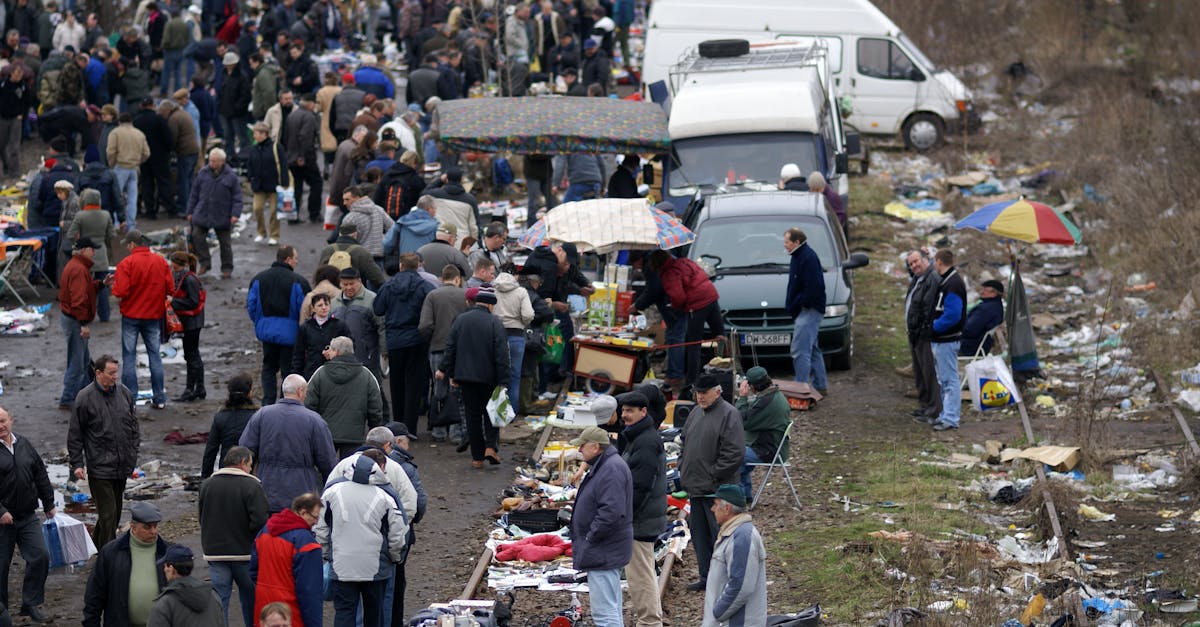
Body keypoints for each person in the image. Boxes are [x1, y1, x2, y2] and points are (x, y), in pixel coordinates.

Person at [315, 449, 409, 627]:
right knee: (374, 613)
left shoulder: (332, 492)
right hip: (375, 568)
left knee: (344, 612)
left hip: (342, 565)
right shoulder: (386, 495)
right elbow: (398, 532)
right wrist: (395, 557)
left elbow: (321, 528)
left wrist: (327, 554)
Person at [678, 374, 744, 591]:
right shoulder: (696, 412)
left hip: (717, 490)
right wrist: (682, 464)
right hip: (696, 488)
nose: (700, 397)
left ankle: (725, 580)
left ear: (717, 392)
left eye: (704, 393)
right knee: (699, 536)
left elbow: (734, 453)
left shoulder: (729, 414)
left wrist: (714, 475)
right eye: (697, 393)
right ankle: (707, 577)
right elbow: (684, 441)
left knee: (720, 537)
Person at [238, 374, 338, 513]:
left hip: (267, 490)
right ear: (300, 391)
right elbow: (327, 461)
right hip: (302, 495)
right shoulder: (314, 421)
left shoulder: (262, 414)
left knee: (270, 533)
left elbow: (245, 449)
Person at [68, 355, 141, 546]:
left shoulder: (124, 393)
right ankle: (109, 557)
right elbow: (75, 434)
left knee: (114, 514)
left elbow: (134, 427)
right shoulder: (85, 398)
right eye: (111, 373)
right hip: (99, 468)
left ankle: (97, 546)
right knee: (108, 514)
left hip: (122, 465)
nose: (115, 377)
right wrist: (77, 464)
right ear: (98, 373)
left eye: (116, 372)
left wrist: (132, 455)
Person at [436, 286, 509, 468]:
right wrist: (503, 380)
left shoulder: (461, 320)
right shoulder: (495, 323)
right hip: (489, 378)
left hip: (466, 377)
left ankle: (477, 457)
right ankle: (491, 447)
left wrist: (447, 370)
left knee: (472, 416)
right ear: (491, 305)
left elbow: (450, 347)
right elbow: (501, 354)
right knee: (492, 412)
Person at [568, 426, 632, 627]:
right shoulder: (606, 465)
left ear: (595, 447)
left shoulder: (610, 469)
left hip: (603, 548)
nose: (579, 450)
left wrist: (590, 537)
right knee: (610, 608)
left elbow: (611, 513)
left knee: (604, 613)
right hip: (606, 548)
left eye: (582, 446)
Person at [198, 447, 268, 627]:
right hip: (245, 554)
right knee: (251, 601)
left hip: (215, 553)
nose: (251, 469)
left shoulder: (207, 485)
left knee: (220, 602)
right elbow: (260, 520)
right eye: (250, 465)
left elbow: (202, 517)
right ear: (243, 462)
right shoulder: (252, 485)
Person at [614, 392, 666, 627]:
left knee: (641, 575)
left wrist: (625, 516)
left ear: (643, 412)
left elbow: (641, 485)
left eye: (630, 411)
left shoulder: (645, 441)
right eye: (623, 410)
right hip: (641, 518)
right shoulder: (639, 436)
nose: (625, 415)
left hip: (640, 520)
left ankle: (649, 622)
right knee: (642, 572)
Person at [0, 406, 54, 624]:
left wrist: (49, 502)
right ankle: (2, 611)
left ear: (11, 420)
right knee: (1, 567)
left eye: (3, 420)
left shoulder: (24, 444)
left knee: (41, 556)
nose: (1, 426)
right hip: (2, 522)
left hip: (27, 516)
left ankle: (30, 602)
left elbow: (40, 473)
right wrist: (1, 511)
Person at [113, 230, 174, 409]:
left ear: (132, 244)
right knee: (154, 356)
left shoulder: (126, 263)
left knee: (129, 357)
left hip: (131, 315)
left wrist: (114, 287)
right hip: (153, 316)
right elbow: (170, 287)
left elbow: (121, 291)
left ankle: (130, 399)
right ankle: (159, 397)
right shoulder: (160, 261)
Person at [82, 502, 169, 627]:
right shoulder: (111, 553)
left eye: (155, 526)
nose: (154, 531)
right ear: (133, 527)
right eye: (147, 527)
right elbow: (94, 594)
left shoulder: (168, 552)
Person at [374, 253, 434, 432]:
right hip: (417, 339)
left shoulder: (389, 285)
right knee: (414, 385)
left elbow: (378, 309)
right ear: (418, 266)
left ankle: (398, 426)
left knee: (397, 384)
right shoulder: (425, 286)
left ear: (401, 265)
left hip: (395, 340)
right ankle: (411, 428)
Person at [646, 249, 723, 386]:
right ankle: (727, 369)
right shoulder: (685, 261)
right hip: (711, 295)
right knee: (720, 336)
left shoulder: (669, 273)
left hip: (697, 306)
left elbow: (678, 297)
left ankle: (691, 382)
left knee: (694, 344)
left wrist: (676, 307)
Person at [247, 246, 312, 405]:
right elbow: (303, 309)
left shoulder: (258, 278)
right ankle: (285, 403)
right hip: (290, 335)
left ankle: (267, 402)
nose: (297, 261)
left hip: (267, 332)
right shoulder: (298, 281)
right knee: (288, 371)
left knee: (268, 367)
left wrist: (260, 323)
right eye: (295, 258)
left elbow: (251, 305)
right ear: (288, 259)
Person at [251, 494, 323, 627]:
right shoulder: (306, 543)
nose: (316, 522)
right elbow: (309, 591)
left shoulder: (265, 531)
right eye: (315, 517)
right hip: (289, 611)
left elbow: (254, 571)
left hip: (264, 605)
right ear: (303, 512)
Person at [306, 337, 385, 458]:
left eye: (331, 349)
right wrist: (374, 431)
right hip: (354, 436)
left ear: (337, 352)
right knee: (349, 472)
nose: (328, 352)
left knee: (325, 473)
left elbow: (309, 405)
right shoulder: (367, 375)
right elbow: (375, 408)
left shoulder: (320, 373)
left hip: (326, 435)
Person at [701, 485, 767, 627]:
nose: (712, 509)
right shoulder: (733, 532)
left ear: (727, 508)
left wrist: (718, 613)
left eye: (715, 505)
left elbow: (741, 585)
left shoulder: (742, 537)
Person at [418, 264, 469, 442]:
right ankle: (456, 431)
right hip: (461, 351)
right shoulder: (465, 295)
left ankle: (439, 430)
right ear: (457, 279)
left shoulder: (432, 295)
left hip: (437, 348)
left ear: (442, 278)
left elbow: (424, 325)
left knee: (439, 389)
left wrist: (433, 338)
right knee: (457, 390)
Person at [382, 421, 425, 625]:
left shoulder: (369, 461)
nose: (409, 446)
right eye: (407, 441)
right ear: (398, 441)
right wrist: (412, 521)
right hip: (401, 530)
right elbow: (419, 501)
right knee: (397, 580)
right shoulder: (405, 467)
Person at [57, 237, 107, 409]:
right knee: (77, 362)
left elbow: (83, 290)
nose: (94, 252)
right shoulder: (79, 269)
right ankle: (68, 398)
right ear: (84, 250)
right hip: (74, 320)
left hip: (71, 318)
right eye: (92, 249)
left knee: (84, 361)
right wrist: (83, 324)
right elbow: (78, 299)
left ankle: (87, 396)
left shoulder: (77, 266)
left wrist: (100, 284)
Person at [734, 367, 790, 500]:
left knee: (733, 455)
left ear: (753, 387)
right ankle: (744, 495)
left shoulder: (766, 402)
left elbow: (741, 420)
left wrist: (742, 398)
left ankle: (738, 498)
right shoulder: (774, 395)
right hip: (775, 446)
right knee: (738, 451)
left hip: (770, 451)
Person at [188, 147, 243, 279]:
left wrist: (235, 214)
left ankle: (227, 268)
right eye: (210, 160)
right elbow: (194, 194)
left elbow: (237, 197)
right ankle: (205, 263)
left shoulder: (231, 176)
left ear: (222, 161)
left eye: (214, 161)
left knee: (225, 243)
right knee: (197, 236)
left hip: (222, 214)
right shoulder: (203, 173)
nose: (211, 163)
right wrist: (190, 211)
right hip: (203, 213)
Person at [784, 227, 827, 392]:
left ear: (797, 242)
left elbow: (814, 286)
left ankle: (799, 388)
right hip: (805, 309)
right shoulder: (799, 255)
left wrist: (801, 304)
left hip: (808, 310)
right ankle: (820, 385)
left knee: (800, 350)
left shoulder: (807, 257)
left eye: (787, 242)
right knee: (812, 349)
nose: (785, 245)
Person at [929, 249, 966, 431]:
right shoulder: (947, 281)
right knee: (943, 379)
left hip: (947, 339)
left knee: (950, 380)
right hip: (940, 339)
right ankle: (945, 414)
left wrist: (933, 326)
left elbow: (953, 315)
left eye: (933, 261)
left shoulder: (953, 284)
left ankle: (951, 418)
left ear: (938, 262)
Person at [148, 544, 224, 626]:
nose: (164, 570)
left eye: (165, 566)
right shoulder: (213, 595)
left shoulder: (165, 604)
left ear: (171, 569)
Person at [905, 250, 941, 422]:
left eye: (916, 261)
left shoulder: (932, 278)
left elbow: (928, 307)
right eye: (910, 264)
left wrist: (922, 328)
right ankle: (925, 405)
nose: (914, 266)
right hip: (914, 333)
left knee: (929, 372)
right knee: (919, 372)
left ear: (926, 260)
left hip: (923, 333)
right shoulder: (917, 278)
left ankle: (934, 410)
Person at [201, 373, 257, 478]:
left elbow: (210, 451)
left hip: (226, 471)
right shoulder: (257, 416)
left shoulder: (220, 417)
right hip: (250, 472)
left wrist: (205, 479)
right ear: (249, 393)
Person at [169, 251, 207, 402]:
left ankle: (190, 390)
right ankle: (199, 388)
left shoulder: (189, 279)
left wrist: (172, 301)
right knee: (192, 354)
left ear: (176, 263)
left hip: (192, 323)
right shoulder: (186, 276)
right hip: (191, 322)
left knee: (191, 355)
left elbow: (193, 302)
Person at [492, 271, 533, 410]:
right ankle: (511, 412)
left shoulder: (493, 290)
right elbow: (528, 314)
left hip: (496, 335)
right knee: (514, 376)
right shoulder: (521, 292)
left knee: (496, 374)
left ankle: (496, 410)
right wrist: (522, 322)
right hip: (516, 336)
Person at [247, 122, 291, 246]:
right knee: (257, 209)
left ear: (265, 134)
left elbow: (283, 165)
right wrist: (251, 177)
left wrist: (284, 183)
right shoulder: (253, 149)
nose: (256, 136)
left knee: (274, 211)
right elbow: (249, 164)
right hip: (259, 185)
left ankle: (274, 235)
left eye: (259, 133)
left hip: (274, 185)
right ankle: (261, 232)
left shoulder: (276, 147)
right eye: (255, 133)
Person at [105, 112, 150, 230]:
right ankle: (131, 224)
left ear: (119, 122)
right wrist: (138, 161)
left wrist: (112, 164)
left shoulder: (115, 132)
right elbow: (146, 153)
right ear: (131, 122)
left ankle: (116, 223)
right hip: (134, 168)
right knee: (132, 198)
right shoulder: (139, 133)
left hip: (120, 167)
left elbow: (110, 151)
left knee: (116, 197)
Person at [292, 294, 352, 379]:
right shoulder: (306, 327)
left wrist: (335, 353)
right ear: (313, 308)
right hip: (312, 371)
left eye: (326, 304)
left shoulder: (339, 325)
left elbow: (350, 346)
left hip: (335, 370)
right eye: (320, 305)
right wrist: (296, 374)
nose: (324, 307)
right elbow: (298, 353)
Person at [284, 92, 324, 223]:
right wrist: (301, 156)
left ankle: (293, 216)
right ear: (310, 103)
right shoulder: (309, 117)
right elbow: (305, 138)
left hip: (291, 157)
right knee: (317, 183)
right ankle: (314, 213)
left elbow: (286, 136)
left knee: (297, 186)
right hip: (305, 158)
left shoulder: (292, 115)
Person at [320, 222, 387, 289]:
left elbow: (320, 275)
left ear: (339, 234)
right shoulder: (361, 252)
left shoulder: (326, 250)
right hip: (353, 293)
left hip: (331, 292)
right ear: (355, 234)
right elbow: (377, 278)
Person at [341, 184, 396, 263]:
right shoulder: (378, 209)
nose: (344, 203)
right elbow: (393, 228)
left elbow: (345, 242)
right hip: (378, 257)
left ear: (357, 198)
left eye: (347, 199)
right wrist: (383, 241)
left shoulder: (350, 218)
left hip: (359, 258)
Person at [424, 166, 477, 237]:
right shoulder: (470, 200)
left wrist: (440, 180)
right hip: (461, 240)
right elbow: (474, 226)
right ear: (461, 179)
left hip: (441, 237)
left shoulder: (435, 195)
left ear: (446, 179)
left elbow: (424, 192)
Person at [384, 193, 438, 258]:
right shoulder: (436, 226)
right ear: (430, 209)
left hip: (404, 263)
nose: (435, 212)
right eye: (435, 209)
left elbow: (387, 244)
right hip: (426, 264)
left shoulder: (401, 222)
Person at [960, 279, 1005, 357]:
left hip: (970, 345)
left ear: (994, 293)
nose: (981, 292)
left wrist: (954, 329)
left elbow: (970, 329)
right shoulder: (996, 306)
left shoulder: (986, 309)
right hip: (980, 344)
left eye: (985, 290)